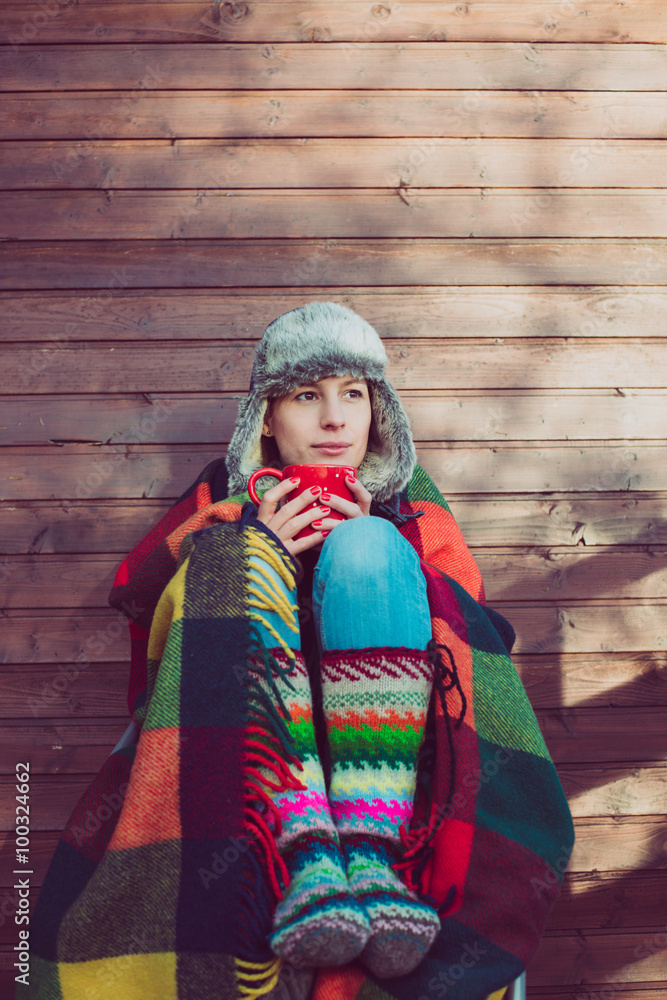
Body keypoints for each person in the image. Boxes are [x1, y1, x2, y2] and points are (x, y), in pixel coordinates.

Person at [24, 302, 573, 1000]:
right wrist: (255, 550)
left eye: (354, 395)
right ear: (266, 417)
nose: (335, 419)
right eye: (307, 396)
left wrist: (384, 552)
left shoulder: (412, 507)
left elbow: (476, 638)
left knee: (368, 546)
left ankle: (368, 857)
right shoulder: (220, 498)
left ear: (379, 414)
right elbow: (157, 616)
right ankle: (309, 853)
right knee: (229, 564)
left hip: (401, 777)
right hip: (250, 786)